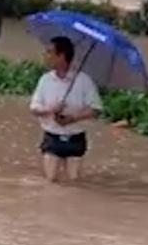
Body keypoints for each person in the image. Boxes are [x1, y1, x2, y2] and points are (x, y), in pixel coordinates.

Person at [30, 36, 102, 183]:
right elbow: (34, 108)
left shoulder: (83, 81)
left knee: (74, 182)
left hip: (75, 138)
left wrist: (73, 118)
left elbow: (96, 109)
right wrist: (51, 110)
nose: (46, 56)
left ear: (61, 56)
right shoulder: (45, 80)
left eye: (50, 52)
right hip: (52, 137)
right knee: (51, 181)